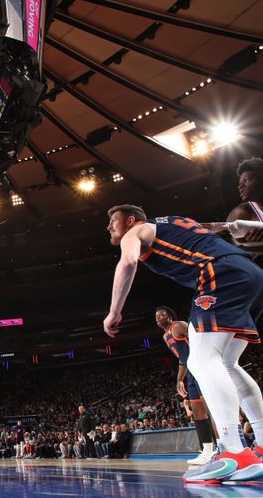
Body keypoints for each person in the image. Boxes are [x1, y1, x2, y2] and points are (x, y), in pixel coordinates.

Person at [103, 204, 263, 483]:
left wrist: (114, 311)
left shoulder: (135, 232)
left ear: (130, 220)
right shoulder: (176, 221)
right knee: (227, 363)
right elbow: (219, 227)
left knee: (201, 360)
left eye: (112, 221)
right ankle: (260, 445)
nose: (109, 227)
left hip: (219, 274)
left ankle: (233, 451)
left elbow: (127, 263)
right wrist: (251, 227)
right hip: (251, 272)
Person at [155, 305, 216, 465]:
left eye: (161, 315)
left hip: (201, 368)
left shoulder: (178, 325)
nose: (158, 318)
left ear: (169, 315)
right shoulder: (165, 336)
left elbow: (201, 340)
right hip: (191, 373)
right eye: (156, 317)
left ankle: (222, 447)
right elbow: (183, 358)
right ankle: (207, 451)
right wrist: (180, 379)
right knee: (198, 413)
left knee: (211, 409)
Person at [212, 157, 263, 256]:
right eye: (239, 184)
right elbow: (228, 255)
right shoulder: (241, 211)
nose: (240, 186)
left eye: (247, 180)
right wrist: (246, 245)